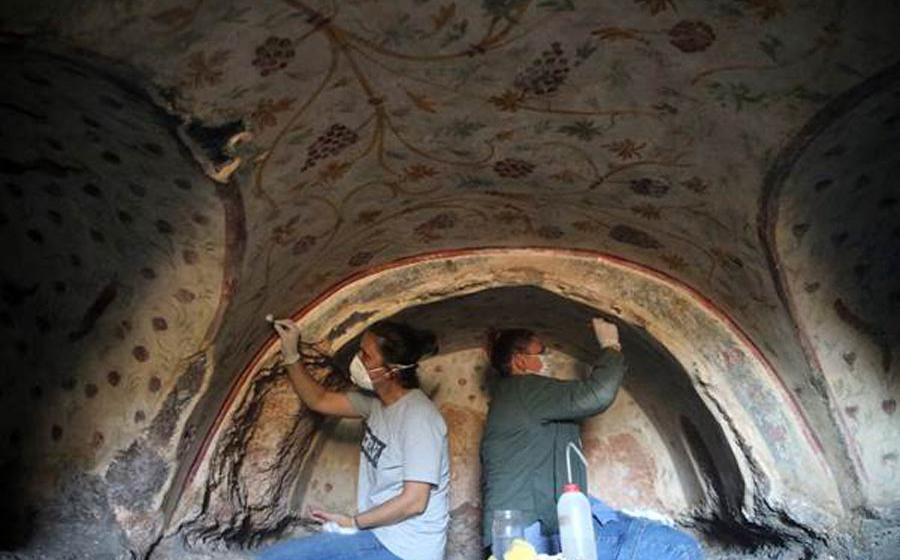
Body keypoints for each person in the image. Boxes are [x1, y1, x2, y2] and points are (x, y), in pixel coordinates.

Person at [257, 319, 450, 560]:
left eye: (366, 356)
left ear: (391, 370)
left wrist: (353, 522)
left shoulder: (419, 418)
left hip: (406, 549)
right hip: (377, 535)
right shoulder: (376, 404)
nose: (358, 359)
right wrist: (291, 354)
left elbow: (415, 501)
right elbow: (319, 399)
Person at [480, 317, 626, 556]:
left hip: (518, 521)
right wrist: (611, 347)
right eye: (542, 353)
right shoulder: (526, 389)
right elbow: (598, 394)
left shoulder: (513, 393)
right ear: (519, 360)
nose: (549, 358)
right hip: (524, 525)